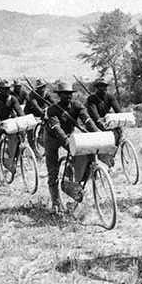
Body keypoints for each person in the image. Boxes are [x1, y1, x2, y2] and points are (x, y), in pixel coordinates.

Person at [44, 81, 98, 212]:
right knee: (53, 170)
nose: (67, 97)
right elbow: (57, 129)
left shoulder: (77, 105)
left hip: (68, 134)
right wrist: (68, 142)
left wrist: (97, 133)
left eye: (69, 94)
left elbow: (87, 120)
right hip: (52, 138)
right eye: (64, 94)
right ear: (59, 95)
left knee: (85, 155)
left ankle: (74, 184)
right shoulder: (53, 110)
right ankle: (55, 203)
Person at [0, 80, 24, 182]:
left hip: (8, 123)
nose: (6, 91)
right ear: (0, 90)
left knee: (17, 140)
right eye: (4, 89)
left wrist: (23, 120)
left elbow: (19, 110)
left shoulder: (13, 99)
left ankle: (12, 161)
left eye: (8, 89)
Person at [24, 78, 52, 150]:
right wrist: (42, 112)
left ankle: (41, 139)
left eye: (43, 87)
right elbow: (35, 105)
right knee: (31, 132)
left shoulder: (46, 94)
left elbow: (52, 103)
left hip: (41, 113)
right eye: (40, 87)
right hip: (30, 113)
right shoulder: (32, 94)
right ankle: (33, 149)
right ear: (37, 88)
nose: (42, 89)